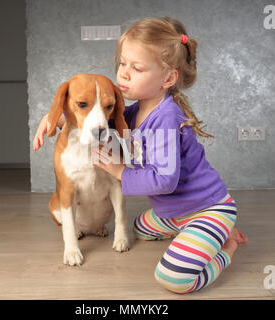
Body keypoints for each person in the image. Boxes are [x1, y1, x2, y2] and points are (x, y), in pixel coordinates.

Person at [33, 17, 248, 294]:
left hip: (207, 207)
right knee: (140, 228)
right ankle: (193, 232)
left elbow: (165, 183)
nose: (123, 74)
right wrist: (54, 119)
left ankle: (225, 244)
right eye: (122, 64)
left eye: (136, 68)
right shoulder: (133, 113)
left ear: (168, 78)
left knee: (174, 279)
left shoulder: (167, 119)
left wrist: (119, 171)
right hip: (174, 212)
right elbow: (99, 123)